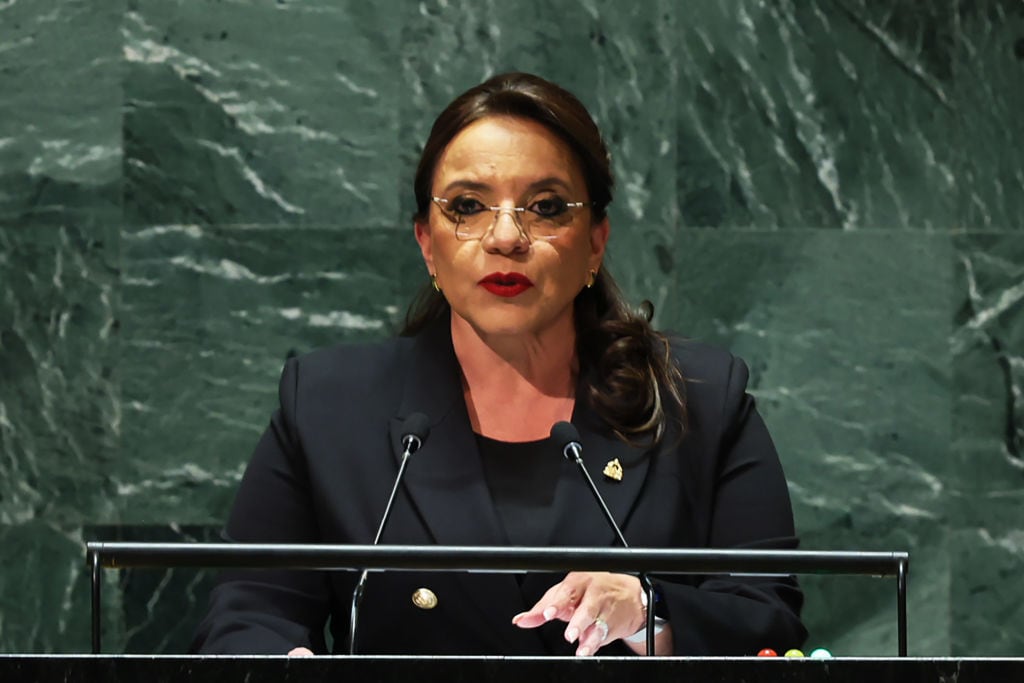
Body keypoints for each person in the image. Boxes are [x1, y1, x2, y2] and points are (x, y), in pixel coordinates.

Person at [191, 72, 807, 657]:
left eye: (545, 206)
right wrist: (275, 662)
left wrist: (653, 610)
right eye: (467, 205)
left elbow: (768, 617)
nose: (506, 236)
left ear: (595, 241)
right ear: (426, 244)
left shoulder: (696, 399)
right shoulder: (328, 406)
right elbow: (251, 609)